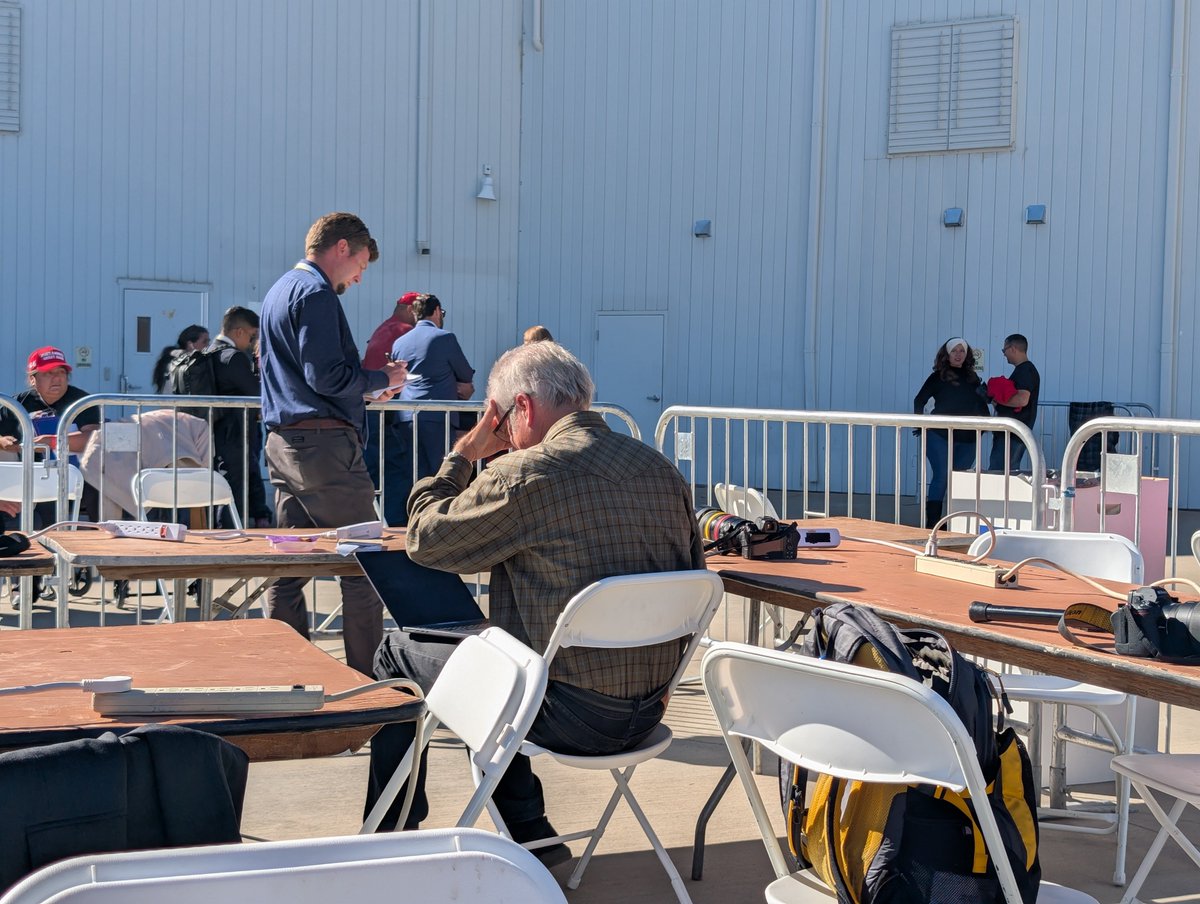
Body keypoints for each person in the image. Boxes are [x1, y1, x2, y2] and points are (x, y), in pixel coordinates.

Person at [364, 341, 704, 865]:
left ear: (520, 408)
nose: (506, 437)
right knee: (511, 658)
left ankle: (394, 837)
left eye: (501, 421)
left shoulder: (523, 474)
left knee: (398, 652)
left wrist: (463, 455)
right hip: (649, 711)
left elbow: (425, 539)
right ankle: (532, 835)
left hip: (566, 716)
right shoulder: (663, 471)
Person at [258, 212, 408, 674]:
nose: (360, 276)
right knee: (367, 568)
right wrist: (382, 378)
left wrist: (365, 386)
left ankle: (293, 675)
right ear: (341, 248)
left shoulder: (279, 290)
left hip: (286, 444)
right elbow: (325, 376)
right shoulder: (316, 294)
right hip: (324, 450)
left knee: (289, 571)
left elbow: (308, 376)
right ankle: (368, 689)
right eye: (361, 263)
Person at [0, 347, 102, 604]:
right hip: (22, 477)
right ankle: (21, 585)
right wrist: (4, 442)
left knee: (49, 519)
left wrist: (54, 442)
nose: (57, 378)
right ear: (33, 378)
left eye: (61, 372)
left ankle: (34, 582)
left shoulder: (82, 402)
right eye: (48, 374)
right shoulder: (17, 403)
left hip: (68, 479)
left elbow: (94, 437)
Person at [388, 294, 474, 516]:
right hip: (438, 418)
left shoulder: (400, 342)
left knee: (414, 475)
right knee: (441, 476)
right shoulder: (444, 338)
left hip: (405, 418)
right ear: (436, 311)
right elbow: (465, 373)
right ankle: (439, 523)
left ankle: (413, 520)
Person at [913, 337, 989, 526]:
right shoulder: (937, 376)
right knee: (942, 475)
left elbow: (982, 405)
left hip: (968, 438)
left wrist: (984, 429)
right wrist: (919, 424)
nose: (958, 354)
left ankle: (953, 522)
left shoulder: (973, 378)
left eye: (961, 351)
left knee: (959, 479)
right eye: (954, 351)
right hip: (939, 434)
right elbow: (919, 400)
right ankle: (932, 523)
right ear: (947, 354)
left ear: (967, 354)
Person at [208, 306, 272, 528]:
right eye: (252, 335)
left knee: (225, 481)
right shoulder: (233, 357)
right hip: (234, 431)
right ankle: (229, 530)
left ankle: (223, 528)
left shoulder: (210, 352)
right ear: (239, 332)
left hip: (218, 429)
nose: (253, 342)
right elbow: (256, 392)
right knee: (234, 483)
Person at [362, 292, 419, 526]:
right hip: (386, 411)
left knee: (375, 471)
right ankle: (395, 529)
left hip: (370, 409)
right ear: (409, 309)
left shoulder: (383, 328)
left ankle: (374, 522)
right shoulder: (404, 331)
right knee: (397, 472)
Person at [987, 333, 1041, 473]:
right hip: (1011, 432)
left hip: (1013, 434)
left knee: (999, 472)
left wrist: (998, 399)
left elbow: (1022, 399)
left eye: (1004, 350)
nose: (1004, 354)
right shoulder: (1024, 370)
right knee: (1001, 471)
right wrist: (994, 400)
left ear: (1013, 348)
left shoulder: (1025, 371)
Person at [151, 324, 210, 394]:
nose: (208, 345)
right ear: (190, 344)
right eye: (204, 342)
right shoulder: (177, 363)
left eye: (208, 341)